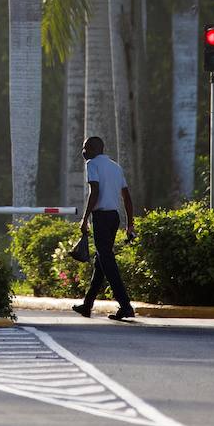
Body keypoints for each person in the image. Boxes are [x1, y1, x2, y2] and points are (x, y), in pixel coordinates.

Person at [72, 135, 137, 321]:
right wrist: (129, 223)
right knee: (101, 261)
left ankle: (125, 305)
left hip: (101, 217)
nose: (83, 152)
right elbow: (127, 197)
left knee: (107, 261)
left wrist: (84, 219)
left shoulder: (92, 164)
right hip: (114, 218)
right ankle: (87, 305)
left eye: (85, 148)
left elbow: (94, 191)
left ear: (93, 149)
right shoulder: (115, 167)